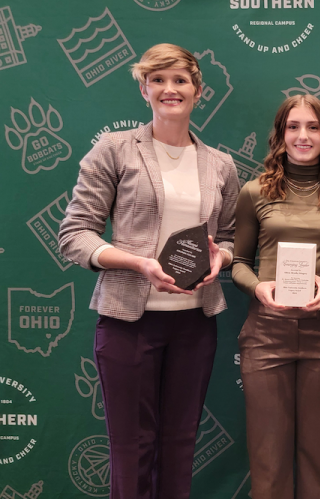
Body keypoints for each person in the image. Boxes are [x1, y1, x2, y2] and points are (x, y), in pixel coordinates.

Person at [58, 43, 240, 499]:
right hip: (127, 321)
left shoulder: (221, 164)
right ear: (144, 89)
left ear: (199, 90)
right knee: (131, 446)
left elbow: (233, 237)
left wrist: (222, 258)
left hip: (195, 323)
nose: (169, 88)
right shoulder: (115, 148)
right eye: (157, 79)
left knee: (180, 445)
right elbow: (75, 234)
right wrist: (138, 262)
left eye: (180, 80)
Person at [232, 94, 320, 499]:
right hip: (266, 334)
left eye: (313, 127)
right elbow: (239, 262)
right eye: (293, 127)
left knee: (317, 457)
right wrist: (257, 287)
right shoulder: (252, 193)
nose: (303, 136)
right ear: (281, 136)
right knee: (267, 458)